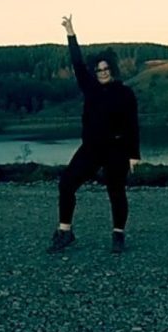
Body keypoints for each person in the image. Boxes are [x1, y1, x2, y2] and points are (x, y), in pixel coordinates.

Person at [48, 15, 141, 254]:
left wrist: (133, 155)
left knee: (116, 191)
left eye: (106, 68)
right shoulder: (89, 88)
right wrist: (70, 33)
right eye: (98, 70)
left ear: (113, 69)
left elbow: (132, 124)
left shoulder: (125, 93)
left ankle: (118, 235)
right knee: (67, 184)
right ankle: (65, 232)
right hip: (91, 148)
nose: (102, 72)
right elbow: (77, 63)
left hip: (117, 149)